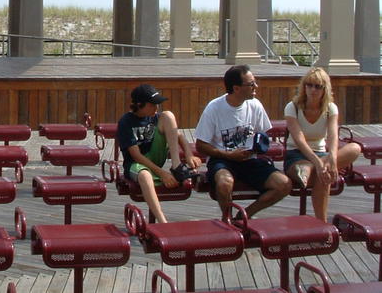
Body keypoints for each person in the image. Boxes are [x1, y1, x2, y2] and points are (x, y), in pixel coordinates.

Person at [195, 65, 291, 218]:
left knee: (284, 184)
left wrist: (255, 149)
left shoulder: (255, 105)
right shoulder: (214, 108)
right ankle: (227, 218)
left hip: (249, 160)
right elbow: (200, 144)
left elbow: (262, 134)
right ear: (236, 88)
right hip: (222, 160)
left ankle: (244, 216)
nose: (256, 86)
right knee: (224, 182)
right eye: (251, 84)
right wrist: (228, 154)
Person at [117, 83, 202, 223]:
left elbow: (180, 136)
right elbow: (136, 155)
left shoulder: (157, 117)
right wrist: (162, 174)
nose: (157, 108)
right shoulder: (126, 122)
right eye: (152, 105)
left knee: (168, 115)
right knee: (145, 175)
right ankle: (162, 221)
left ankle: (176, 166)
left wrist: (188, 154)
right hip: (136, 164)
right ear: (139, 104)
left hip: (156, 157)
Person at [283, 67, 360, 222]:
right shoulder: (292, 107)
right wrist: (319, 163)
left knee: (354, 148)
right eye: (309, 85)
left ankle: (321, 224)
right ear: (304, 86)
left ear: (325, 89)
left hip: (321, 153)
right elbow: (299, 139)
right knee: (322, 173)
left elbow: (333, 135)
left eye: (318, 86)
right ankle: (322, 222)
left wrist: (331, 158)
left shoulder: (330, 108)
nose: (313, 90)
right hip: (297, 154)